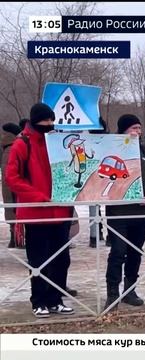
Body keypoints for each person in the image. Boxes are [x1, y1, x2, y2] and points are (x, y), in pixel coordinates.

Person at [5, 103, 75, 318]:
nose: (49, 124)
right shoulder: (22, 144)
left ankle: (56, 299)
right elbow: (12, 178)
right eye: (45, 121)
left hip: (61, 211)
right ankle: (38, 301)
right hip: (36, 213)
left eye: (52, 120)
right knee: (38, 261)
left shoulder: (58, 142)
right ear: (34, 121)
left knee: (61, 259)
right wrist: (38, 197)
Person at [103, 114, 145, 311]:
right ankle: (112, 292)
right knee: (118, 251)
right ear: (123, 131)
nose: (138, 132)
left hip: (141, 213)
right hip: (118, 213)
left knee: (135, 252)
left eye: (139, 128)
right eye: (133, 128)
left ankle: (130, 290)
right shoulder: (111, 150)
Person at [88, 117, 109, 248]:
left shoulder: (107, 140)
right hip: (94, 175)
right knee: (94, 207)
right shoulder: (89, 140)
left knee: (108, 205)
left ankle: (97, 234)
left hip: (105, 173)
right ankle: (95, 234)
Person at [2, 122, 23, 248]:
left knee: (10, 209)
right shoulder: (16, 147)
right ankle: (19, 239)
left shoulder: (4, 147)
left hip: (6, 185)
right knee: (18, 210)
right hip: (16, 184)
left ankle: (13, 239)